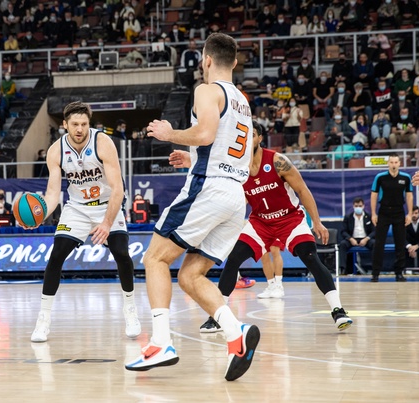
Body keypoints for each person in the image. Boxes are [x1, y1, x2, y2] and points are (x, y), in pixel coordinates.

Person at [124, 33, 259, 381]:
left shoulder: (206, 90)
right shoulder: (243, 102)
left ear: (207, 60)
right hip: (235, 196)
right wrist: (195, 159)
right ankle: (236, 335)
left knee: (155, 259)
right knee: (189, 276)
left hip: (209, 190)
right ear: (235, 62)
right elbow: (235, 153)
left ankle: (161, 342)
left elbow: (205, 134)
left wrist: (170, 134)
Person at [170, 122, 352, 334]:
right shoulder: (236, 166)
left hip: (290, 218)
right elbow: (213, 166)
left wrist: (317, 222)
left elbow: (302, 190)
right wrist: (191, 160)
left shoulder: (277, 161)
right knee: (234, 259)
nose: (248, 138)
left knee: (310, 256)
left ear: (259, 139)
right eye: (245, 134)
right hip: (260, 222)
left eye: (252, 134)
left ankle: (338, 310)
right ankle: (217, 316)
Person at [29, 101, 141, 343]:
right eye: (75, 124)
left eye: (84, 124)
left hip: (107, 204)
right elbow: (52, 193)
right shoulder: (56, 151)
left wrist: (107, 223)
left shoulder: (103, 142)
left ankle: (130, 309)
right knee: (56, 255)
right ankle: (43, 319)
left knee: (122, 253)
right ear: (65, 125)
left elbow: (118, 188)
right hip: (77, 208)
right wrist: (40, 215)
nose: (80, 129)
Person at [370, 153, 413, 282]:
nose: (394, 165)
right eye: (391, 162)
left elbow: (409, 195)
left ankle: (399, 273)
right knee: (379, 243)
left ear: (399, 163)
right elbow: (374, 195)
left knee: (400, 243)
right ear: (388, 163)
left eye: (396, 162)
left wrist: (410, 213)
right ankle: (375, 273)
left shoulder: (406, 178)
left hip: (399, 212)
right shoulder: (380, 177)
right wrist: (373, 213)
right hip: (384, 212)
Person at [339, 197, 375, 275]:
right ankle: (343, 269)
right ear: (353, 206)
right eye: (356, 206)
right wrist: (350, 238)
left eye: (360, 206)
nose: (358, 208)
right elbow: (343, 231)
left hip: (365, 239)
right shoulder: (348, 217)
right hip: (352, 239)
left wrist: (366, 239)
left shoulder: (369, 216)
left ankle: (375, 268)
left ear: (363, 206)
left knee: (374, 244)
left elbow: (374, 231)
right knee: (343, 244)